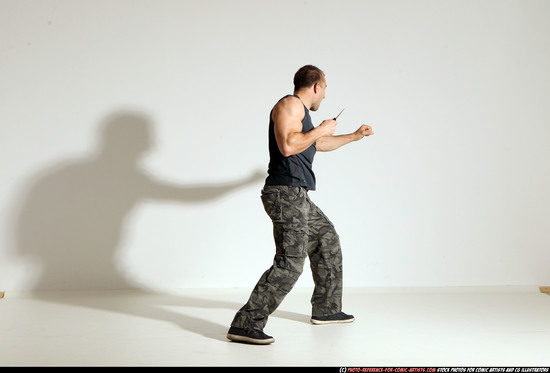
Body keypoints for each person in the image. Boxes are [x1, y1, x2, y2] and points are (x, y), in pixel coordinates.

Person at [227, 65, 374, 344]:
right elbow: (287, 146)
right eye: (325, 89)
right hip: (284, 193)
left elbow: (315, 145)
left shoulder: (303, 117)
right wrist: (320, 129)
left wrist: (354, 136)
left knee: (326, 238)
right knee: (290, 262)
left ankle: (327, 309)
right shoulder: (290, 104)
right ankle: (245, 323)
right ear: (316, 86)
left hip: (298, 194)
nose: (325, 96)